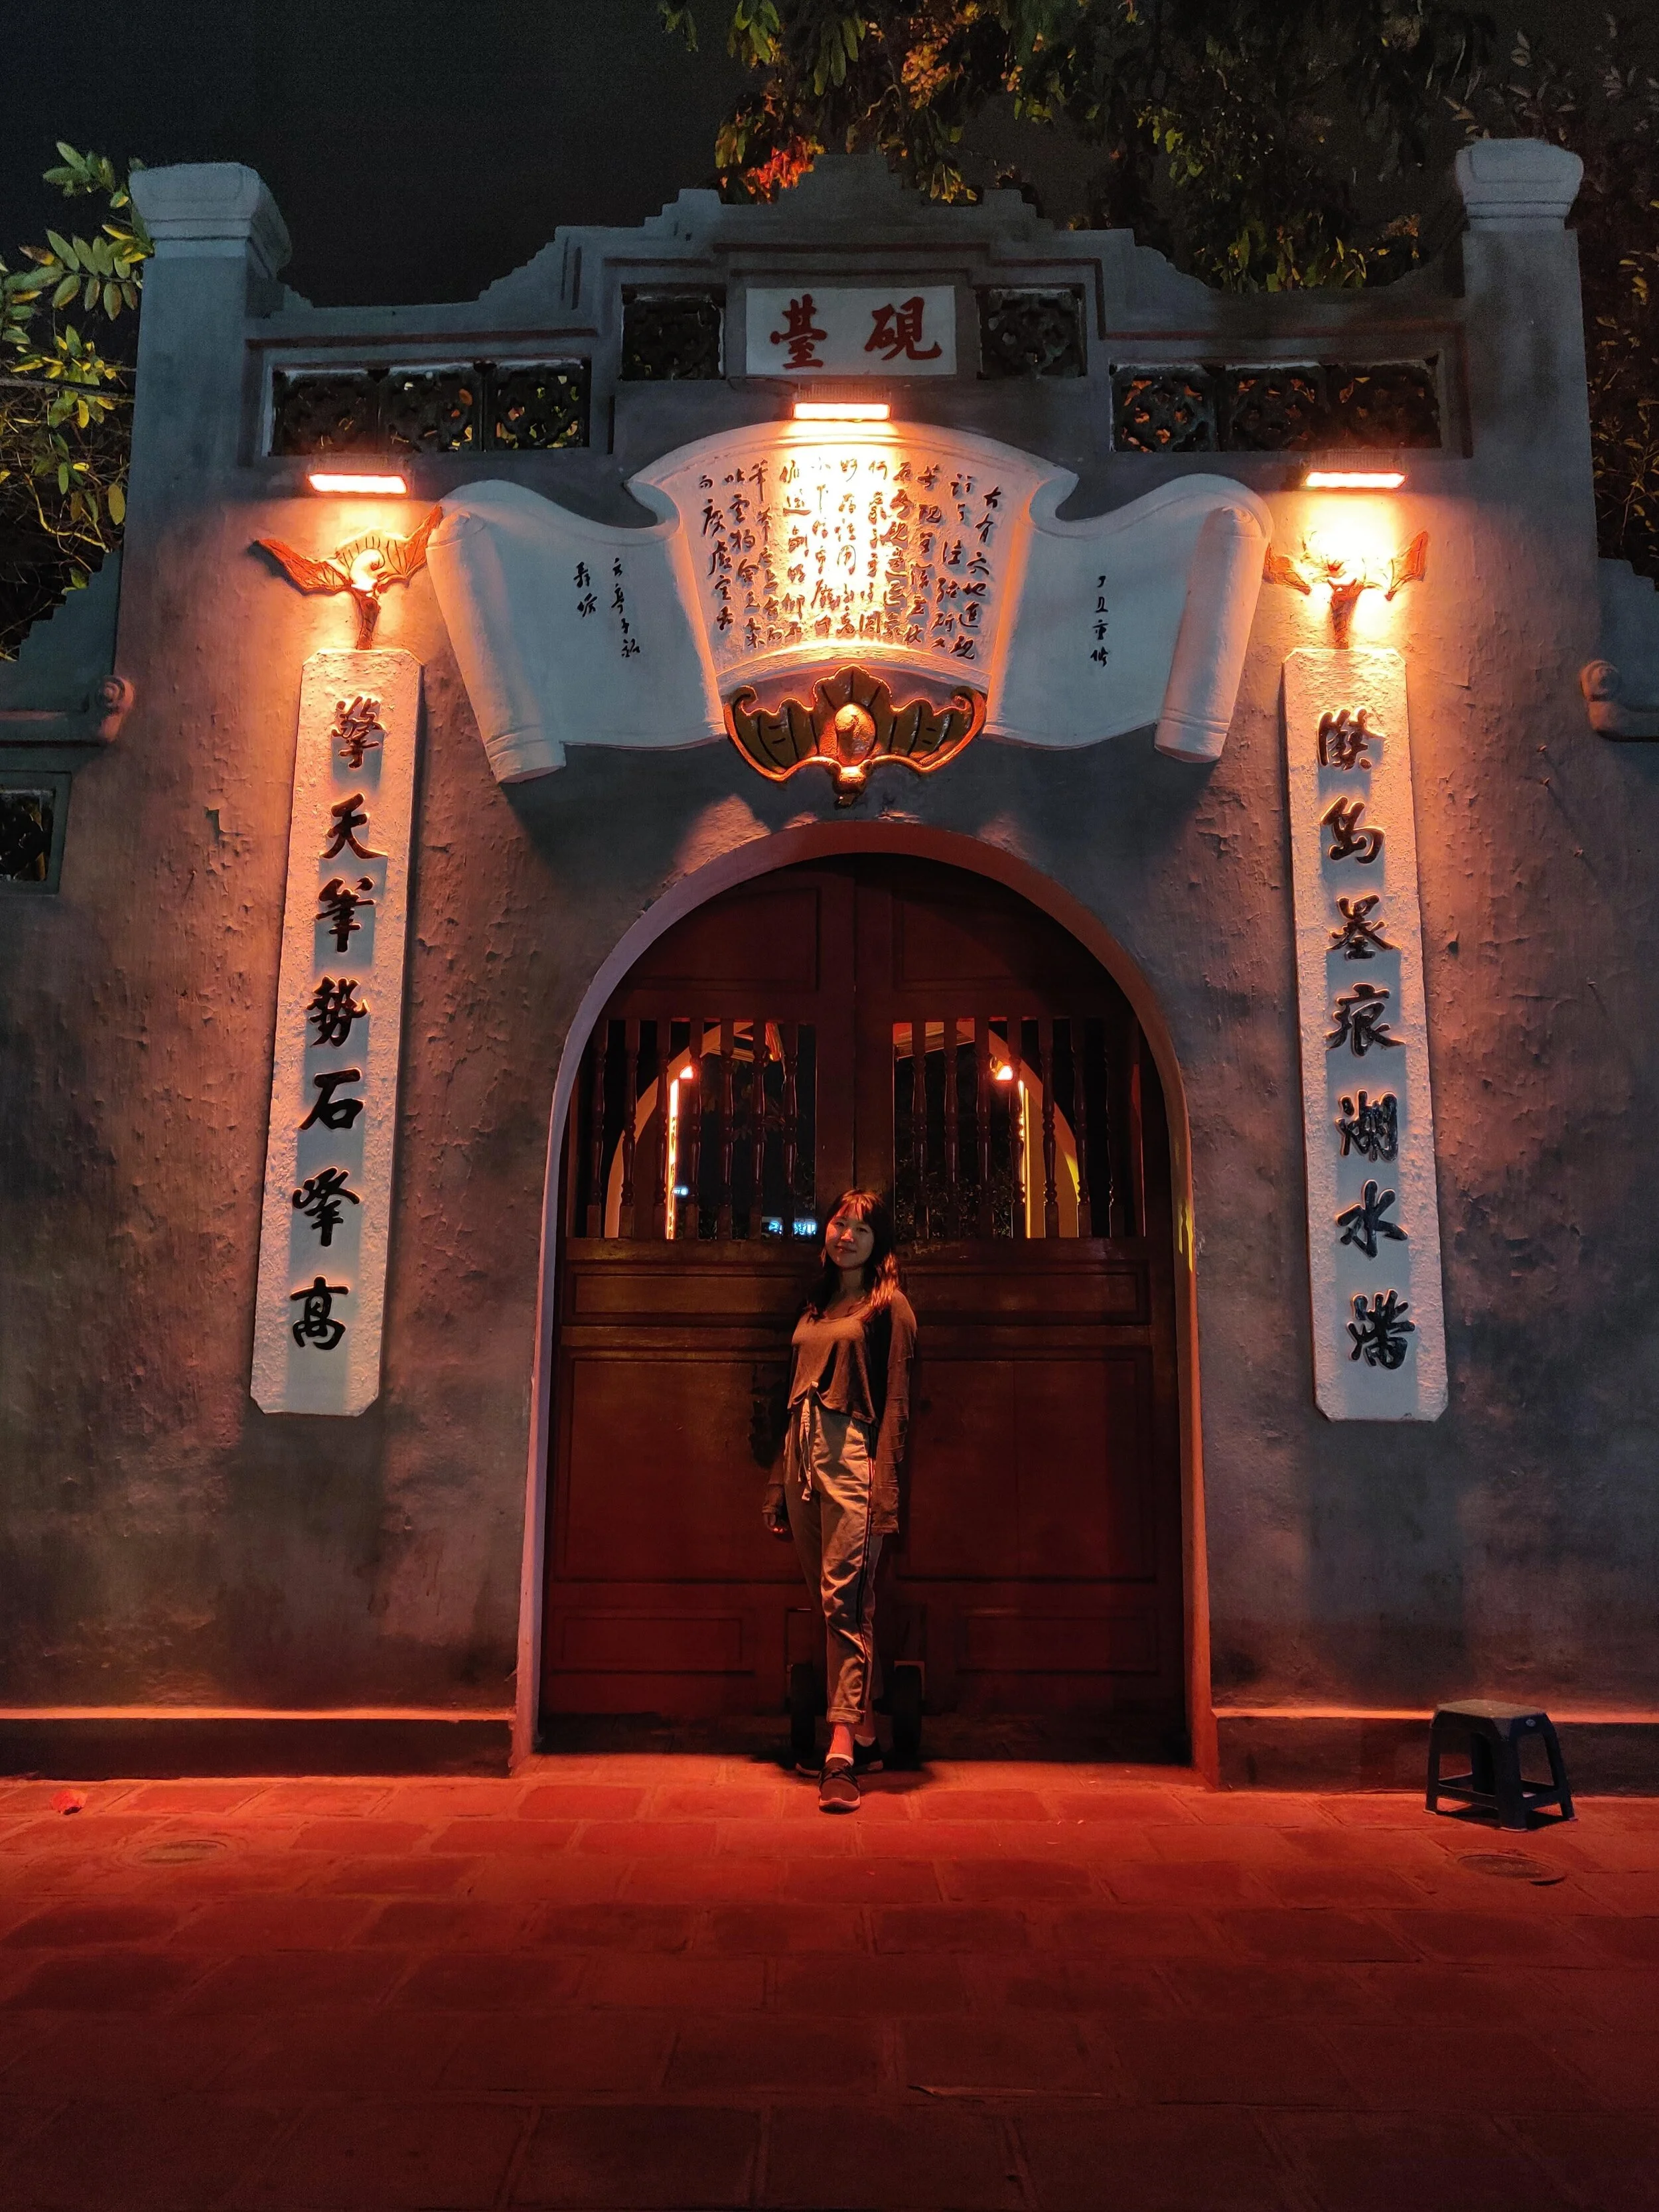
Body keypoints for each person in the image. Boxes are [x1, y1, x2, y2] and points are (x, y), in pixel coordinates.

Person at [762, 1189, 918, 1812]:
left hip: (853, 1455)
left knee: (842, 1598)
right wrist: (778, 1481)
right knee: (841, 1600)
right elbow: (792, 1395)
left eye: (861, 1227)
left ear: (880, 1240)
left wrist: (884, 1482)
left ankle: (842, 1749)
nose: (846, 1235)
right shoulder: (814, 1303)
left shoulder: (890, 1307)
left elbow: (898, 1402)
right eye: (839, 1222)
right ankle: (872, 1731)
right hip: (802, 1455)